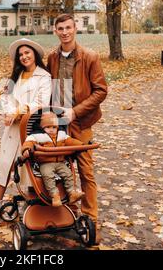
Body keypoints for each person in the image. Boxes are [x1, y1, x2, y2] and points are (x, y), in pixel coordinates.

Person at [46, 14, 108, 242]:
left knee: (85, 171)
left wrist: (76, 111)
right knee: (58, 168)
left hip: (80, 122)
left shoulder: (89, 57)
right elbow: (43, 82)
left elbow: (101, 91)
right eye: (60, 28)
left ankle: (91, 220)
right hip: (58, 125)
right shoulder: (52, 57)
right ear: (55, 31)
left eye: (68, 28)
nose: (65, 32)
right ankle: (67, 214)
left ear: (75, 28)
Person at [0, 38, 52, 225]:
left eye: (27, 53)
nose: (24, 57)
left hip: (31, 128)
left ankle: (31, 209)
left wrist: (19, 111)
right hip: (12, 129)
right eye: (20, 55)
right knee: (5, 165)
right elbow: (5, 98)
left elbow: (41, 102)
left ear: (34, 54)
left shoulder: (44, 76)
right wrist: (7, 112)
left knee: (28, 168)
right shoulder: (16, 76)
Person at [21, 112, 84, 207]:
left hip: (60, 162)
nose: (51, 130)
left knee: (68, 174)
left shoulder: (62, 135)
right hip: (45, 163)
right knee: (48, 175)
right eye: (48, 127)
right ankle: (55, 195)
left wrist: (81, 145)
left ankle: (72, 193)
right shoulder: (37, 136)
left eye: (54, 127)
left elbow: (71, 141)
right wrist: (26, 149)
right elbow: (28, 143)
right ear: (42, 127)